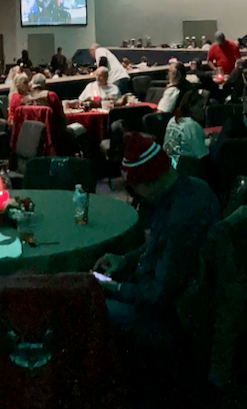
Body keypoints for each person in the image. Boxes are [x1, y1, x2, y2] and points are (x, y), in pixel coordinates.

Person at [93, 133, 220, 356]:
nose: (136, 195)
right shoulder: (194, 189)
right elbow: (158, 245)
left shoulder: (180, 219)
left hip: (170, 319)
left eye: (135, 187)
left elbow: (160, 295)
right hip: (178, 298)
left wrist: (117, 288)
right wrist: (125, 260)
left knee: (88, 310)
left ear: (150, 181)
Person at [162, 89, 208, 162]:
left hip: (170, 161)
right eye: (200, 106)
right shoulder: (192, 126)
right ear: (190, 107)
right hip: (186, 166)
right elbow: (203, 155)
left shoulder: (173, 120)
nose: (204, 110)